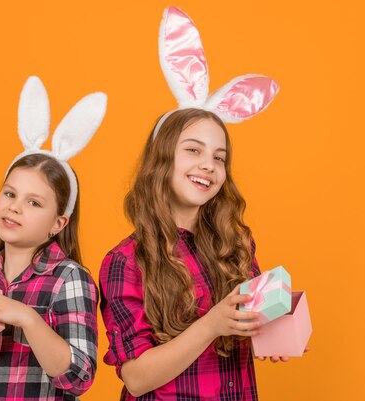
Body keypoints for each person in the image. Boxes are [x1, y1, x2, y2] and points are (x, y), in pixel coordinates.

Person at [99, 7, 284, 400]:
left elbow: (240, 328)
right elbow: (136, 377)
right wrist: (212, 323)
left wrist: (272, 331)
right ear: (160, 160)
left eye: (219, 157)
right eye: (193, 150)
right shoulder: (125, 261)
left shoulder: (235, 245)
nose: (208, 165)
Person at [0, 76, 106, 401]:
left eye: (34, 202)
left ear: (58, 223)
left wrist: (26, 317)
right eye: (10, 193)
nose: (14, 207)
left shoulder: (68, 279)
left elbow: (79, 377)